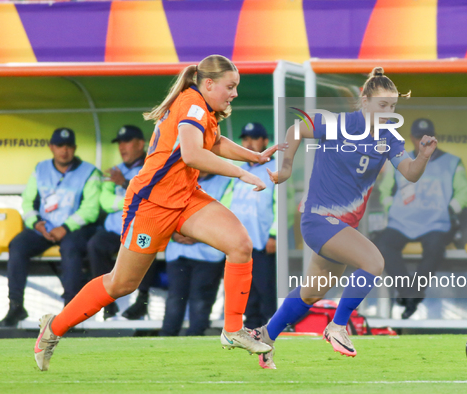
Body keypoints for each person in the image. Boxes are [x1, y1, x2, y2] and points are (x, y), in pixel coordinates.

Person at [33, 54, 282, 371]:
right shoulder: (192, 104)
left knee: (240, 245)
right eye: (230, 87)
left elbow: (214, 142)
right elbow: (193, 154)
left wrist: (255, 157)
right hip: (152, 203)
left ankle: (233, 330)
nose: (234, 93)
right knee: (121, 284)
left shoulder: (202, 106)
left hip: (185, 196)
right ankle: (52, 329)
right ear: (208, 83)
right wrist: (242, 172)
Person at [252, 68, 438, 369]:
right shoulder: (337, 123)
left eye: (392, 107)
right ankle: (337, 327)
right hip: (318, 219)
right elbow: (297, 130)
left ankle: (265, 337)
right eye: (382, 105)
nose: (387, 112)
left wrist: (424, 156)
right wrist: (285, 168)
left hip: (340, 226)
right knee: (374, 262)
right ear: (364, 101)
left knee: (311, 293)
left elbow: (410, 174)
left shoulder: (389, 137)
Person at [0, 128, 101, 327]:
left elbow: (91, 209)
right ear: (51, 147)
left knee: (71, 249)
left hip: (74, 229)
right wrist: (36, 223)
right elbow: (27, 202)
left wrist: (65, 227)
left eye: (69, 146)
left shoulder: (89, 172)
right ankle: (16, 306)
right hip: (44, 228)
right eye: (60, 146)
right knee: (18, 245)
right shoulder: (41, 169)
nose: (64, 150)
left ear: (75, 148)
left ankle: (71, 312)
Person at [374, 118, 467, 319]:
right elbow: (385, 191)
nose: (421, 141)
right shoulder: (398, 159)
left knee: (435, 248)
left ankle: (413, 294)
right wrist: (392, 208)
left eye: (426, 137)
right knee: (382, 245)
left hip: (436, 222)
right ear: (411, 138)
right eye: (418, 137)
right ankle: (409, 293)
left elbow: (464, 195)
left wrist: (449, 211)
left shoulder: (452, 162)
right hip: (402, 221)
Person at [86, 125, 151, 320]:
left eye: (127, 142)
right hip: (115, 231)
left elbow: (149, 199)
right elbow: (104, 203)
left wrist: (124, 184)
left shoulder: (152, 167)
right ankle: (107, 302)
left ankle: (142, 301)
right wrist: (129, 202)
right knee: (94, 244)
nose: (122, 147)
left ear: (140, 144)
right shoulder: (113, 171)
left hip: (141, 230)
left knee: (149, 244)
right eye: (120, 143)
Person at [160, 172, 231, 336]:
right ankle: (164, 342)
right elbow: (163, 211)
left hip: (208, 255)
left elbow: (227, 216)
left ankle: (194, 342)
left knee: (200, 302)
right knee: (174, 300)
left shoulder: (226, 182)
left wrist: (198, 235)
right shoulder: (174, 179)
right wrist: (172, 233)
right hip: (178, 252)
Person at [224, 122, 278, 329]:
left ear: (265, 141)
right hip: (239, 244)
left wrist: (274, 235)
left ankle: (272, 333)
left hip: (263, 243)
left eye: (254, 138)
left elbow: (282, 206)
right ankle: (253, 335)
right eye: (245, 139)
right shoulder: (237, 170)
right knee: (247, 296)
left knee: (266, 292)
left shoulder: (276, 169)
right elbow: (226, 203)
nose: (248, 143)